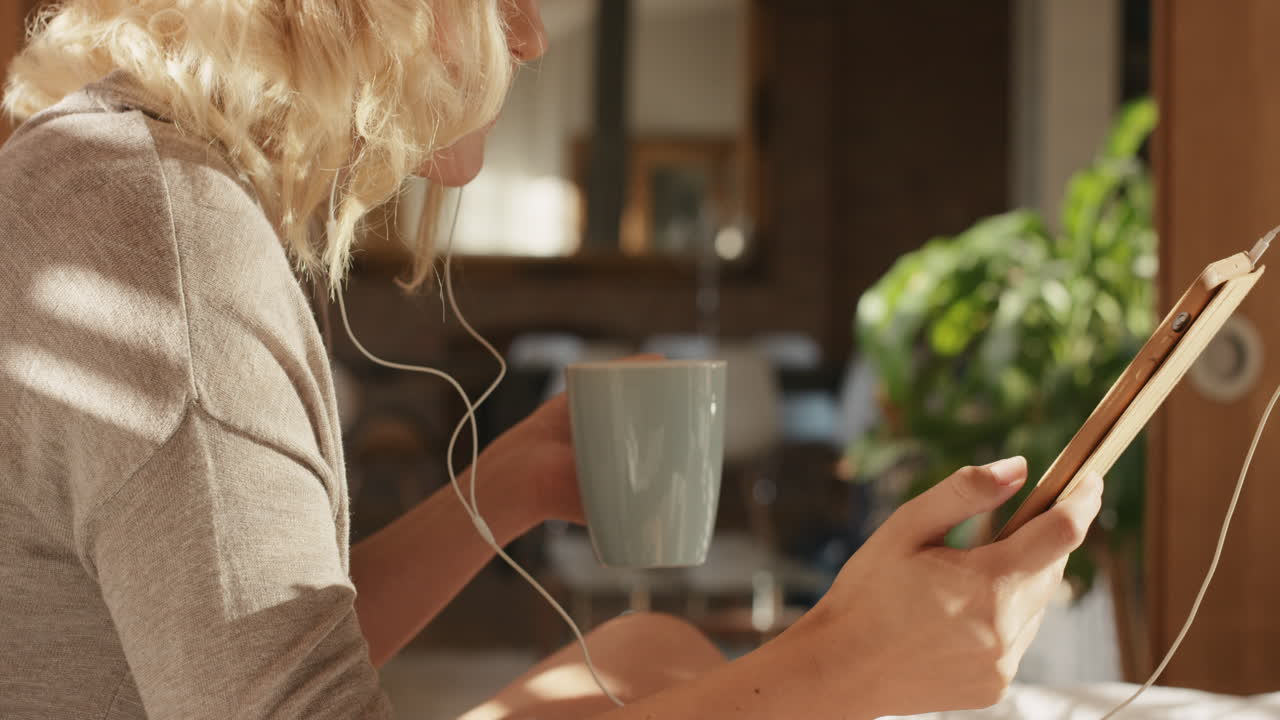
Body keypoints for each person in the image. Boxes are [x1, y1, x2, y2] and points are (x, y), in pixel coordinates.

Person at [0, 1, 1103, 718]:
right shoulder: (160, 231)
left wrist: (507, 486)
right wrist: (831, 667)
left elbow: (243, 661)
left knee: (642, 650)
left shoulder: (118, 184)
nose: (528, 38)